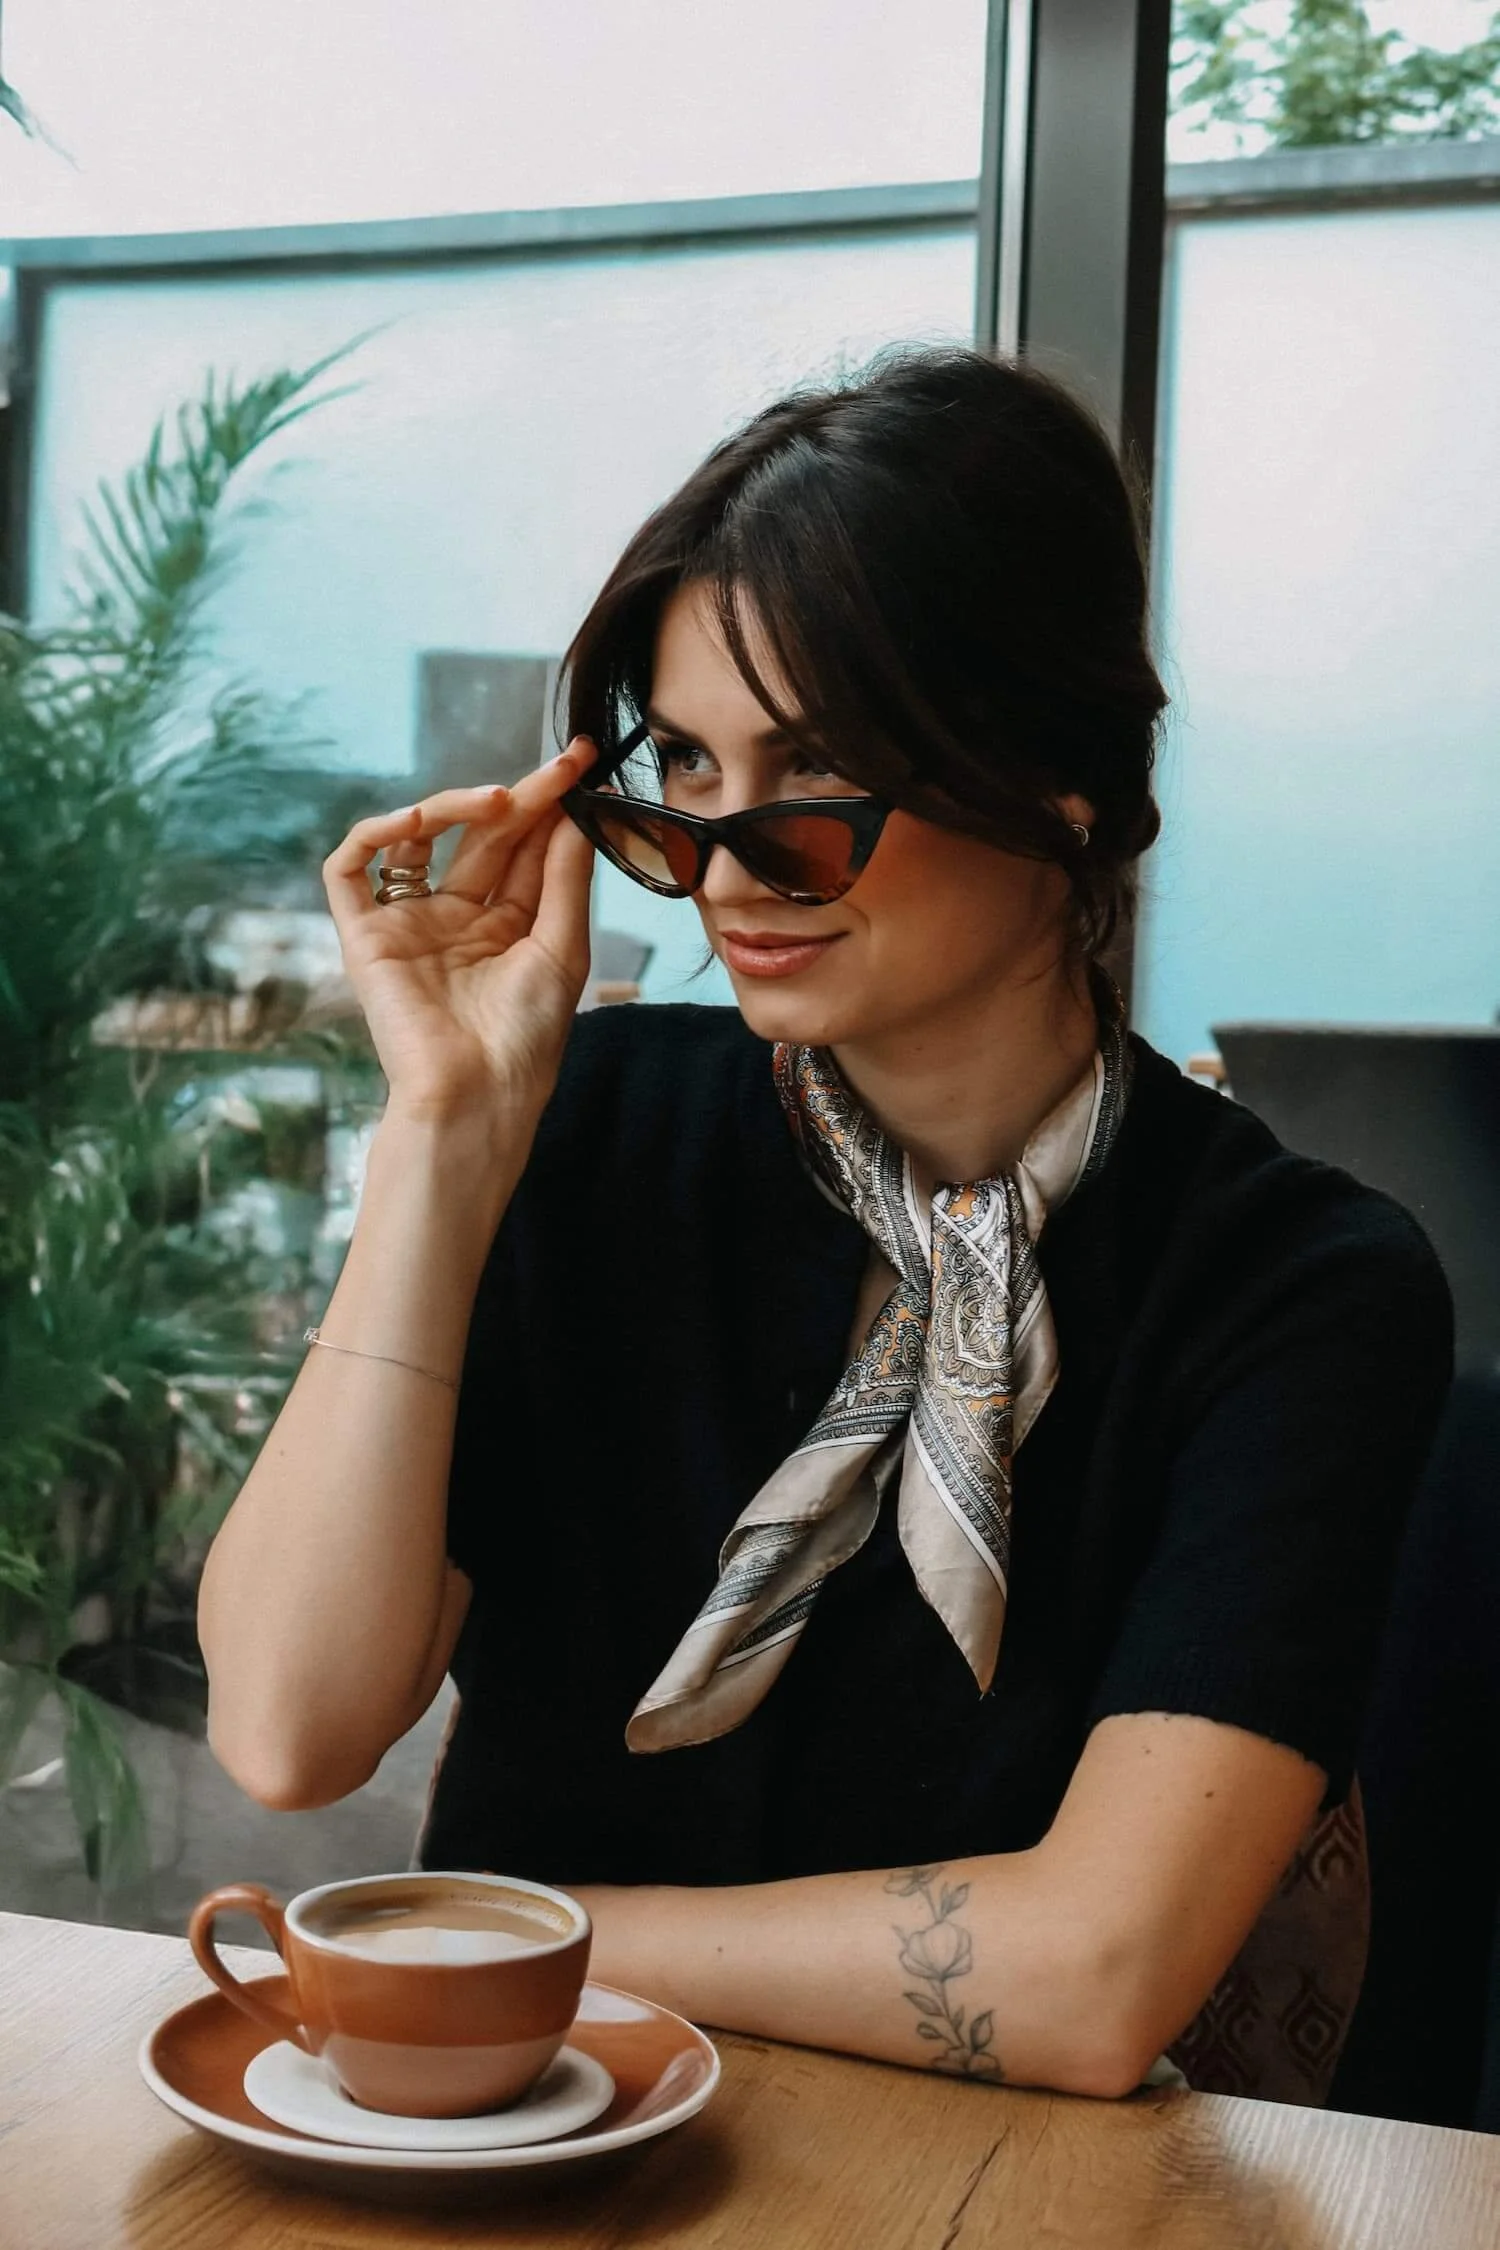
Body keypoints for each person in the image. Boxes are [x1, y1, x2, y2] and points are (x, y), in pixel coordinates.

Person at [198, 346, 1452, 2104]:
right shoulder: (589, 1125)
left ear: (1060, 772)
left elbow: (1095, 1973)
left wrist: (507, 1940)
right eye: (685, 779)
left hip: (992, 2193)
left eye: (814, 784)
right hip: (524, 2142)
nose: (724, 872)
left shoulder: (1301, 1284)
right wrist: (444, 1130)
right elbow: (288, 1717)